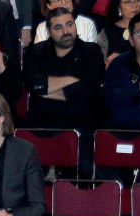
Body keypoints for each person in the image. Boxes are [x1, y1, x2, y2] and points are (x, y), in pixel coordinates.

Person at [23, 6, 106, 176]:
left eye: (69, 24)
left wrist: (46, 89)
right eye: (58, 27)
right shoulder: (36, 51)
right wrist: (73, 82)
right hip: (44, 123)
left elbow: (89, 89)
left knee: (83, 169)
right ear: (49, 31)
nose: (66, 31)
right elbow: (33, 84)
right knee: (28, 168)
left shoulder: (91, 52)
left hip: (81, 124)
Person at [33, 0, 99, 43]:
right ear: (49, 5)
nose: (64, 3)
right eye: (58, 0)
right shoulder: (42, 28)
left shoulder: (87, 24)